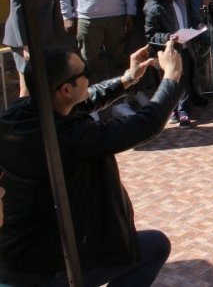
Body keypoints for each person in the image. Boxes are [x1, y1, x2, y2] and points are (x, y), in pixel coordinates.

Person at [0, 41, 182, 285]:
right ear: (66, 89)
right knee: (155, 246)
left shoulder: (19, 113)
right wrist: (171, 76)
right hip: (51, 270)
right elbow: (144, 124)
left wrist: (127, 78)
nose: (89, 76)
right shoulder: (70, 138)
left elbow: (84, 100)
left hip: (16, 257)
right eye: (85, 72)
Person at [143, 0, 199, 128]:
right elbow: (151, 34)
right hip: (167, 51)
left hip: (184, 46)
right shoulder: (154, 8)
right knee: (170, 81)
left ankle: (184, 110)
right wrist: (168, 37)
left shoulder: (178, 0)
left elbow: (186, 18)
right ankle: (173, 111)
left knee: (184, 80)